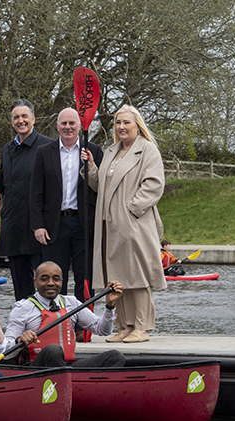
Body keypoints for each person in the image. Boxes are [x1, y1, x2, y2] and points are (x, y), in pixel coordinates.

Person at [84, 104, 166, 343]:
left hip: (134, 224)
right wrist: (90, 169)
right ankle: (125, 325)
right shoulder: (111, 152)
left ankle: (142, 326)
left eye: (126, 122)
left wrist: (131, 210)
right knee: (118, 276)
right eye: (118, 123)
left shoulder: (148, 151)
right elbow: (102, 186)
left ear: (137, 125)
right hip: (110, 225)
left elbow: (154, 185)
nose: (121, 127)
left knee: (137, 274)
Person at [31, 108, 103, 305]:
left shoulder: (93, 151)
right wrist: (38, 225)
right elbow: (36, 191)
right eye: (64, 123)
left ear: (80, 126)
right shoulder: (44, 152)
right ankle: (55, 321)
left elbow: (100, 189)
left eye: (72, 123)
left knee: (84, 274)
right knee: (53, 276)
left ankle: (83, 323)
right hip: (54, 224)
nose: (68, 127)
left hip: (84, 224)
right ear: (57, 126)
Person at [0, 99, 54, 300]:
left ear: (33, 118)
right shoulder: (7, 149)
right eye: (16, 117)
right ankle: (25, 326)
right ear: (12, 121)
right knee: (21, 288)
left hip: (38, 227)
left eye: (24, 116)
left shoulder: (48, 146)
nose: (20, 121)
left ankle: (47, 325)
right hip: (13, 226)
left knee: (45, 282)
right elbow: (5, 186)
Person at [4, 261, 126, 368]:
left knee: (115, 356)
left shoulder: (71, 303)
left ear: (62, 282)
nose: (51, 283)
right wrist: (19, 340)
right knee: (54, 350)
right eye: (44, 279)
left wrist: (110, 305)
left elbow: (103, 330)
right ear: (35, 282)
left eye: (56, 279)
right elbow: (6, 351)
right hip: (37, 368)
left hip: (67, 367)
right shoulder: (23, 307)